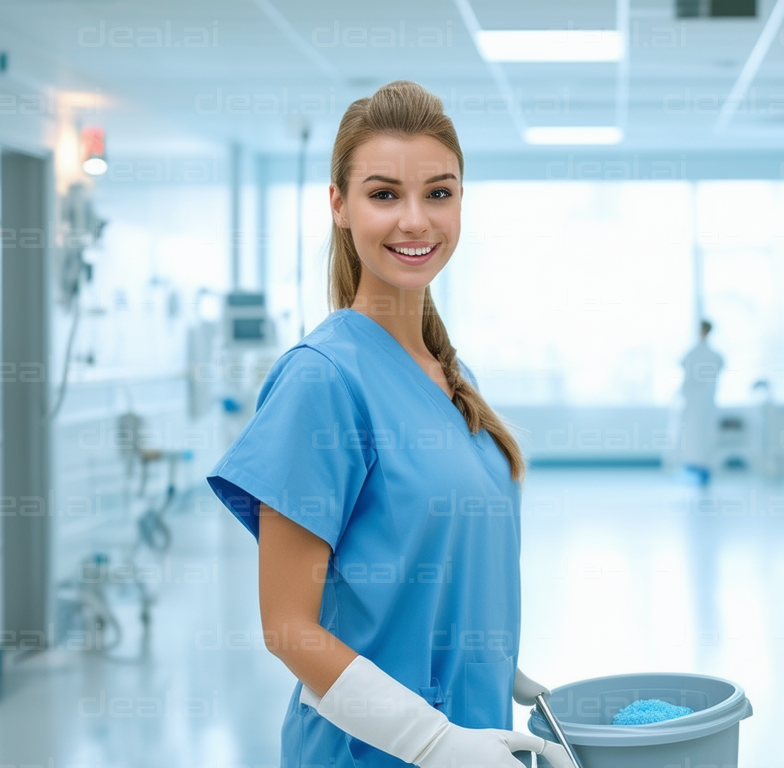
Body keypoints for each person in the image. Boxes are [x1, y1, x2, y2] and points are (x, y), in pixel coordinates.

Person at [206, 81, 571, 768]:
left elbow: (439, 562)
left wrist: (491, 668)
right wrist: (430, 740)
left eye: (439, 193)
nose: (415, 220)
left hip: (477, 738)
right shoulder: (322, 379)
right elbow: (288, 628)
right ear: (339, 205)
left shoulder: (450, 375)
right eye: (383, 194)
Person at [677, 320, 724, 485]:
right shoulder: (705, 354)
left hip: (702, 404)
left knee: (700, 436)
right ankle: (694, 468)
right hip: (698, 403)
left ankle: (701, 469)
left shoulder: (704, 355)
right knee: (695, 436)